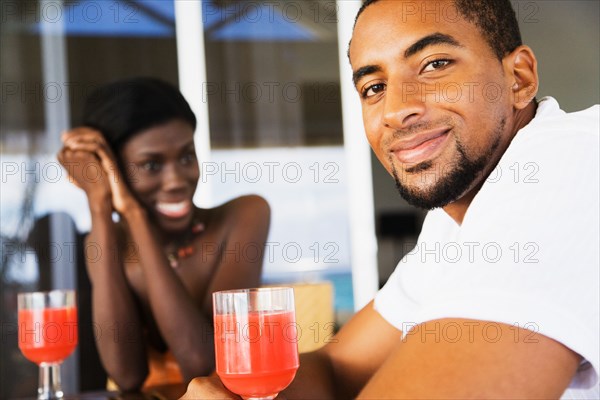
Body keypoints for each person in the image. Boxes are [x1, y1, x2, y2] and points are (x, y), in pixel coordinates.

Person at [182, 0, 599, 398]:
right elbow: (337, 367)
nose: (396, 110)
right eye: (374, 86)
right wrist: (241, 394)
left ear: (519, 78)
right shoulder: (455, 221)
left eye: (434, 65)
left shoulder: (563, 170)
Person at [57, 77, 270, 391]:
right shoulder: (103, 244)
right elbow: (127, 375)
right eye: (151, 165)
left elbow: (203, 365)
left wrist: (131, 211)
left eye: (186, 157)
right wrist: (99, 205)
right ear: (111, 170)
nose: (176, 180)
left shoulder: (245, 216)